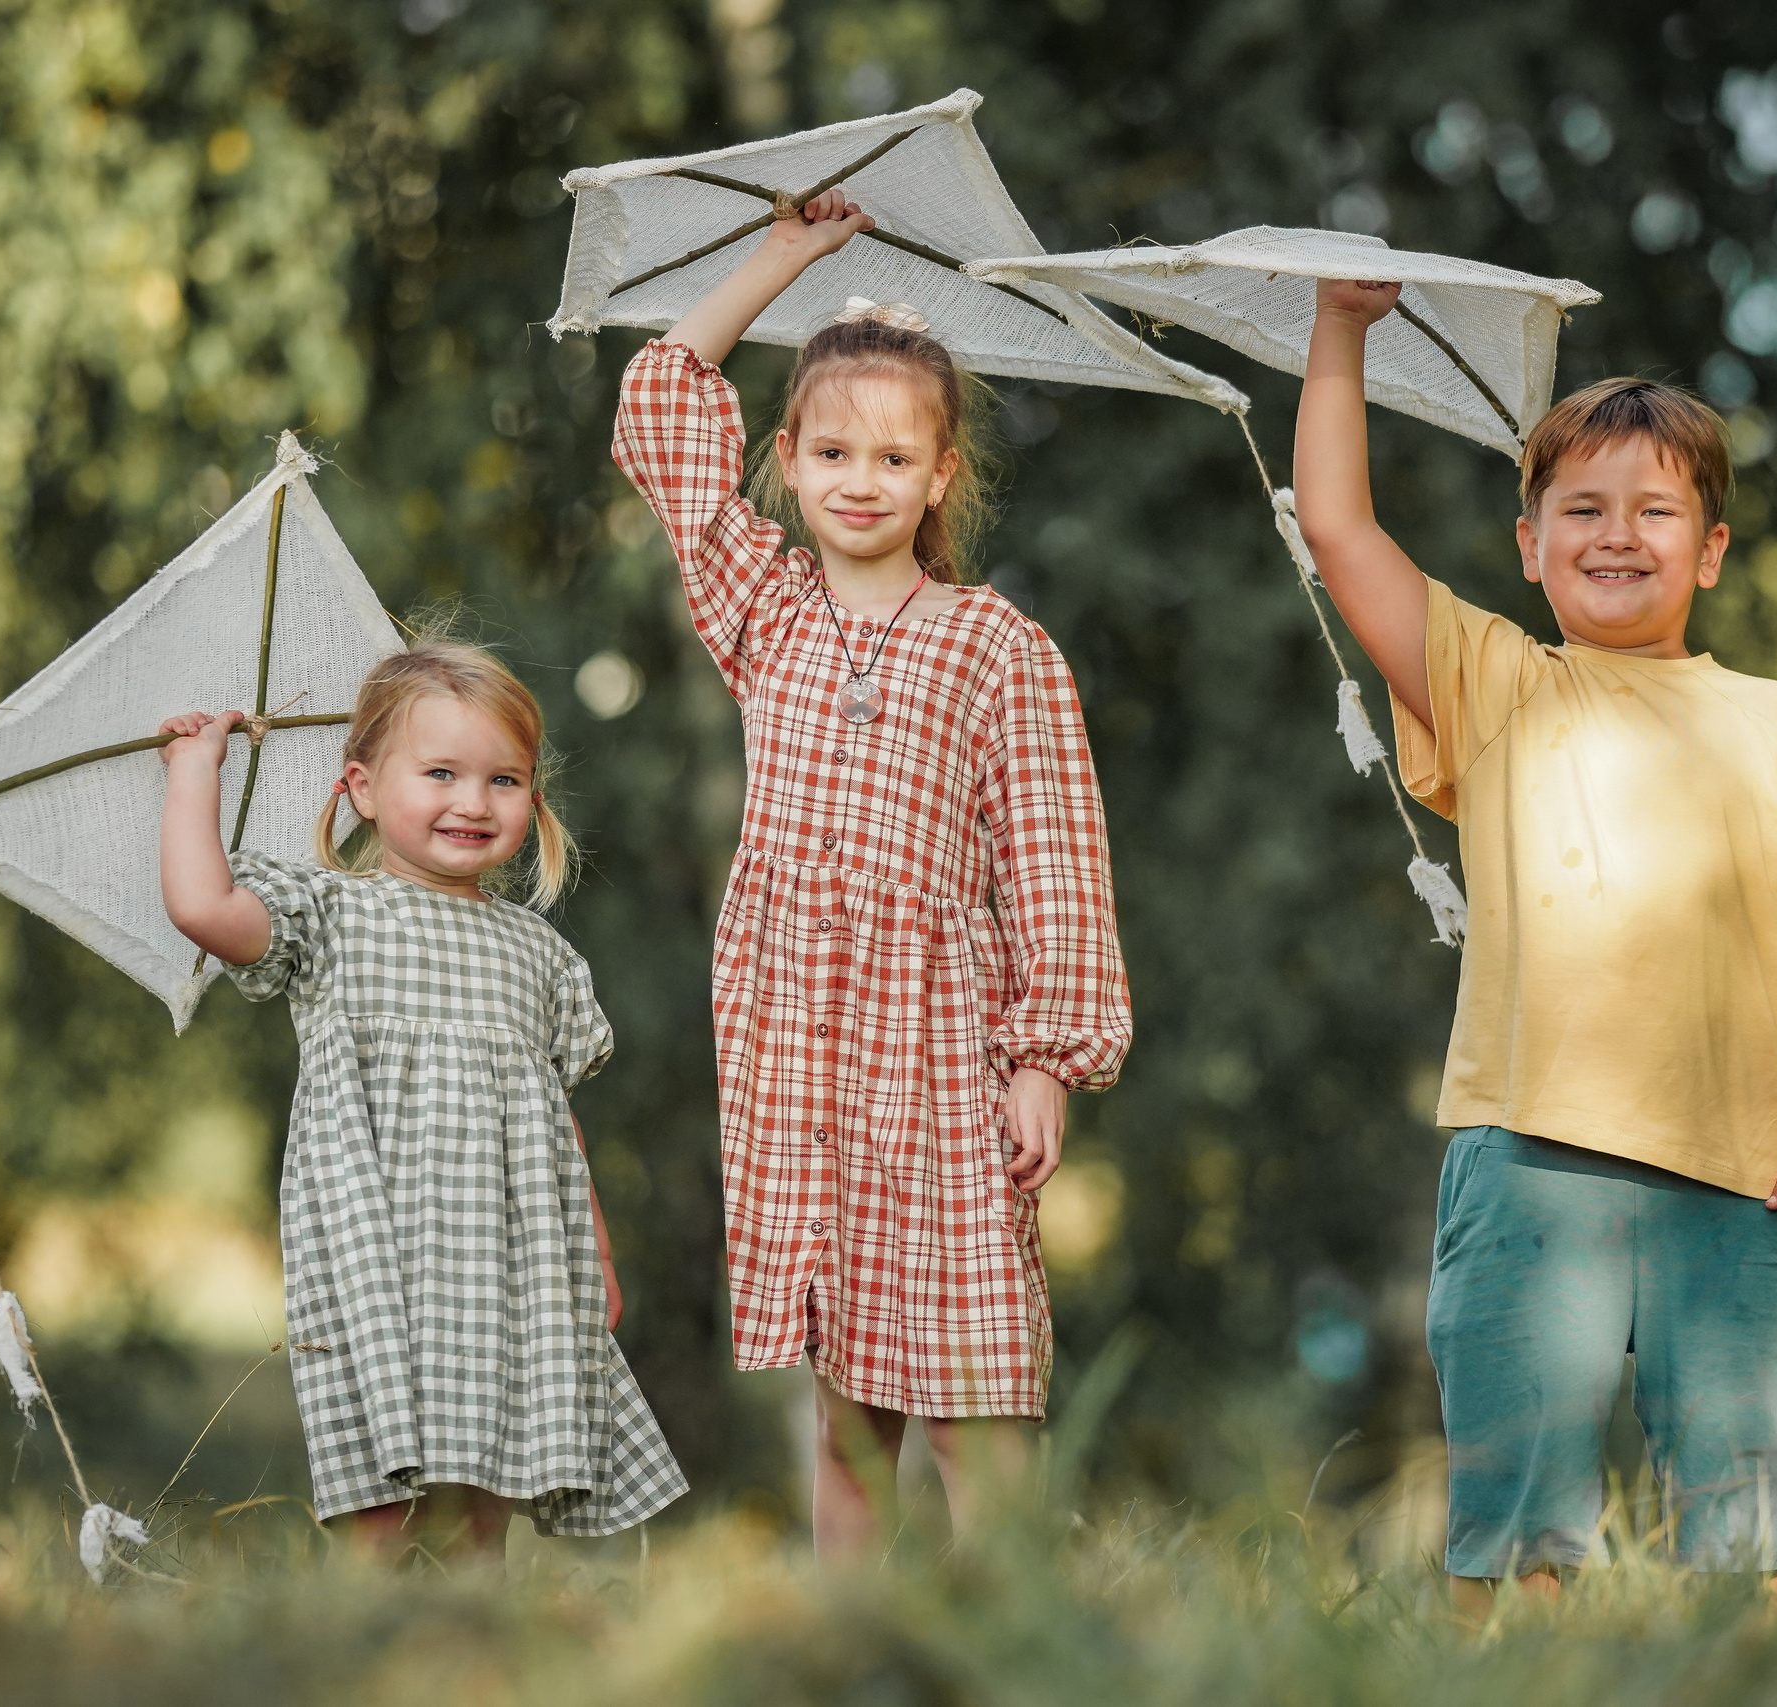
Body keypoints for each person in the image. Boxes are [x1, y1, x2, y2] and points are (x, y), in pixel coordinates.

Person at [1294, 282, 1777, 1604]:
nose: (1616, 533)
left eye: (1655, 509)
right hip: (1527, 1164)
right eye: (1582, 508)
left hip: (1739, 1176)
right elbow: (1341, 532)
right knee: (1517, 1520)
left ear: (1712, 549)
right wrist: (1340, 328)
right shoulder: (1499, 683)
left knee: (1741, 1526)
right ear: (1528, 546)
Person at [609, 188, 1129, 1560]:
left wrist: (1042, 1061)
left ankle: (1006, 1619)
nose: (859, 476)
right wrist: (785, 261)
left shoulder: (998, 647)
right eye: (831, 449)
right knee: (848, 1398)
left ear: (941, 474)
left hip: (939, 1038)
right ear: (788, 458)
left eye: (893, 457)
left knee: (967, 1373)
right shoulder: (761, 608)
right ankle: (860, 1639)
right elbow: (661, 405)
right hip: (799, 1039)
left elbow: (1056, 862)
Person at [155, 638, 687, 1564]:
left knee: (482, 1490)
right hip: (375, 1249)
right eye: (440, 771)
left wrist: (594, 1243)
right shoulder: (329, 914)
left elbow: (556, 1112)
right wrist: (194, 771)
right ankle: (366, 1649)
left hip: (504, 1262)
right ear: (361, 786)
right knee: (380, 1493)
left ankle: (464, 1657)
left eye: (505, 779)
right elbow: (203, 907)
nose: (473, 802)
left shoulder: (539, 953)